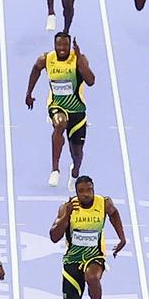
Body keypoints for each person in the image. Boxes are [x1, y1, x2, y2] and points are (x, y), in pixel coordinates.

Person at [51, 174, 126, 299]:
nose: (86, 194)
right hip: (72, 260)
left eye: (89, 190)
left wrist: (122, 238)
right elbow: (54, 236)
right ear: (76, 193)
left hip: (95, 256)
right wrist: (66, 216)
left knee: (92, 278)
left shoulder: (103, 203)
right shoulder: (67, 207)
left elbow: (114, 214)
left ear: (94, 189)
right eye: (81, 191)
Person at [24, 30, 97, 188]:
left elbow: (91, 81)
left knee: (77, 154)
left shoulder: (79, 59)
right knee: (59, 124)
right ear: (54, 45)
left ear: (70, 45)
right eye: (58, 44)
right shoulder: (47, 58)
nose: (62, 48)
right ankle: (55, 170)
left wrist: (79, 60)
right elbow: (36, 69)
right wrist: (29, 93)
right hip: (57, 105)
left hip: (77, 110)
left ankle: (74, 171)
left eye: (65, 44)